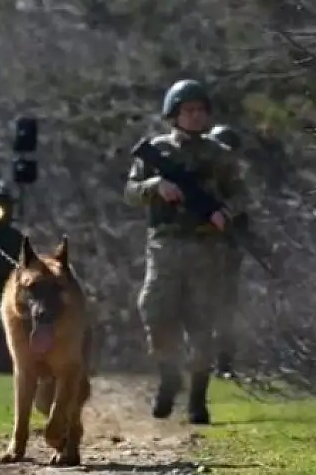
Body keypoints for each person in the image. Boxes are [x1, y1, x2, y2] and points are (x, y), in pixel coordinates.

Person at [123, 79, 245, 425]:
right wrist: (155, 186)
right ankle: (168, 374)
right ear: (173, 114)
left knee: (202, 324)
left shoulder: (219, 156)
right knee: (155, 311)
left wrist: (226, 213)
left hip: (207, 247)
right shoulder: (157, 151)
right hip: (165, 244)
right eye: (187, 111)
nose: (194, 117)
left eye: (200, 111)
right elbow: (130, 191)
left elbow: (240, 195)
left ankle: (197, 397)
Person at [207, 124, 244, 378]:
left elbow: (243, 217)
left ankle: (223, 365)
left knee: (226, 313)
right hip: (200, 252)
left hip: (227, 255)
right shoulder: (202, 180)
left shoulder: (234, 185)